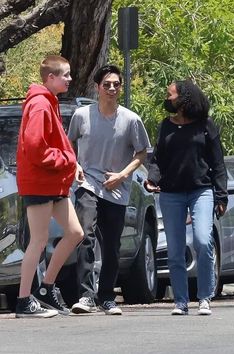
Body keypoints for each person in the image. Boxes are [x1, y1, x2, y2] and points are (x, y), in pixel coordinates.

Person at [68, 64, 150, 315]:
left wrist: (123, 175)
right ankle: (85, 296)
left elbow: (142, 152)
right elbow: (68, 145)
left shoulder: (131, 119)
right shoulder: (82, 116)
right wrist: (75, 167)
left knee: (112, 244)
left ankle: (107, 297)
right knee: (85, 235)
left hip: (116, 189)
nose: (112, 88)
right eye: (107, 84)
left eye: (116, 84)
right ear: (97, 88)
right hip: (87, 184)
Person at [145, 79, 228, 316]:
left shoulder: (205, 125)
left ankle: (204, 297)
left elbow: (217, 163)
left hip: (200, 191)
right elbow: (158, 160)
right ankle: (180, 301)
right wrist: (152, 179)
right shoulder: (166, 125)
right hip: (171, 193)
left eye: (170, 94)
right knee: (175, 249)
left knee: (203, 240)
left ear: (184, 99)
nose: (167, 98)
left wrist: (221, 197)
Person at [15, 55, 84, 318]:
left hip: (53, 181)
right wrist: (66, 159)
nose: (69, 79)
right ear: (50, 78)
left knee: (75, 232)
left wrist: (71, 164)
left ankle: (46, 289)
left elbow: (54, 144)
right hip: (39, 181)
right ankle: (23, 301)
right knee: (39, 240)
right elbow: (35, 149)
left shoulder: (49, 102)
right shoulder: (41, 104)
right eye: (64, 75)